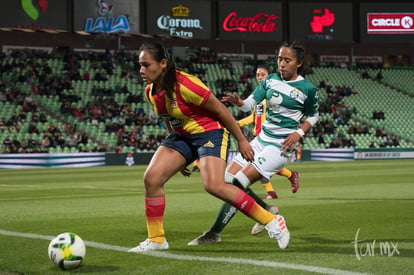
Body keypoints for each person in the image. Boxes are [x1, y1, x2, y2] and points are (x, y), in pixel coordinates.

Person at [128, 42, 290, 253]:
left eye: (146, 65)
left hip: (210, 132)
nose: (141, 70)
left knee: (214, 185)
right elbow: (169, 119)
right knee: (152, 178)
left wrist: (241, 140)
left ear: (163, 63)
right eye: (140, 65)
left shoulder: (186, 84)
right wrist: (179, 158)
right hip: (182, 136)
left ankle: (272, 221)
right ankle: (157, 239)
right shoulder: (151, 92)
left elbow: (222, 111)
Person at [188, 41, 319, 246]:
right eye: (279, 59)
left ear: (299, 63)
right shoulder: (270, 81)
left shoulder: (307, 89)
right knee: (225, 180)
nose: (281, 64)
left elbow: (314, 115)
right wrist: (240, 103)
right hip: (260, 141)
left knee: (238, 183)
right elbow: (249, 104)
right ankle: (266, 211)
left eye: (287, 60)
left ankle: (216, 232)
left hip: (281, 146)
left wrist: (299, 133)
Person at [237, 64, 300, 200]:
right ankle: (277, 188)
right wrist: (238, 123)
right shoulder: (258, 97)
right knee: (257, 166)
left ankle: (282, 183)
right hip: (258, 137)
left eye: (263, 75)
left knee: (258, 166)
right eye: (258, 75)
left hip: (270, 137)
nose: (260, 77)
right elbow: (253, 117)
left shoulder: (274, 96)